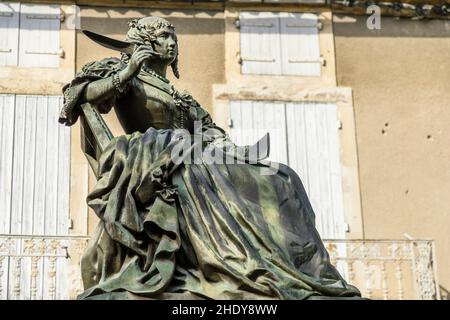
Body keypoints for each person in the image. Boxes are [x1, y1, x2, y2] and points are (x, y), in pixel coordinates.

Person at [59, 16, 361, 300]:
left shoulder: (179, 94)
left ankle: (299, 267)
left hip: (191, 152)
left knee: (282, 176)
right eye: (164, 36)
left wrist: (232, 150)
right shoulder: (127, 75)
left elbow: (210, 131)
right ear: (146, 43)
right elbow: (82, 96)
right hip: (152, 157)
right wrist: (126, 73)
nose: (172, 43)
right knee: (195, 161)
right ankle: (230, 259)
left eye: (174, 37)